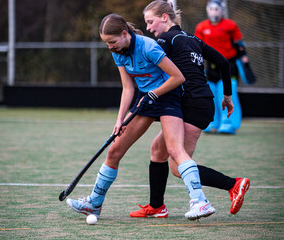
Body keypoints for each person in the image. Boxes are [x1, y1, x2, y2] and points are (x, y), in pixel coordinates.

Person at [66, 13, 216, 220]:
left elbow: (178, 78)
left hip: (167, 96)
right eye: (106, 43)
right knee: (114, 150)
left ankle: (200, 202)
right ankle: (94, 203)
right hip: (145, 100)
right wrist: (119, 120)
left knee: (174, 149)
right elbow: (128, 88)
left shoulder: (149, 47)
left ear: (124, 34)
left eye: (112, 41)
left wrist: (155, 93)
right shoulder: (117, 51)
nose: (110, 46)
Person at [129, 0, 250, 218]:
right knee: (158, 150)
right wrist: (228, 96)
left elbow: (152, 69)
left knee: (177, 166)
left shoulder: (165, 40)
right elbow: (223, 62)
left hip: (193, 105)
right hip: (199, 102)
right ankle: (156, 206)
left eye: (150, 22)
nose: (148, 28)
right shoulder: (193, 39)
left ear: (164, 18)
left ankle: (234, 184)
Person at [195, 0, 253, 134]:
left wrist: (244, 59)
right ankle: (212, 122)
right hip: (211, 66)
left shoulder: (230, 25)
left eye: (216, 9)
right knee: (211, 95)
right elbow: (197, 47)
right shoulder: (202, 27)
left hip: (228, 65)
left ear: (221, 10)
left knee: (226, 93)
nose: (213, 12)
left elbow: (240, 45)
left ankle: (229, 124)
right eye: (211, 8)